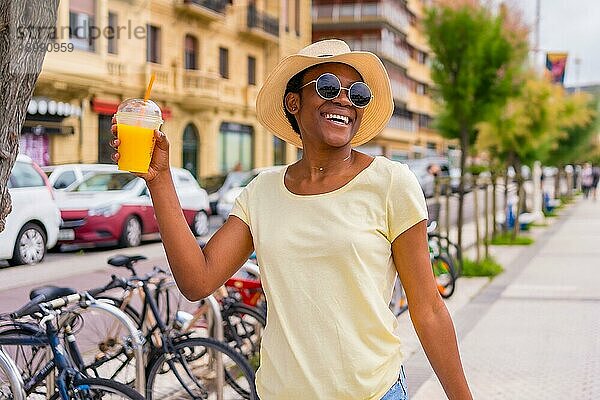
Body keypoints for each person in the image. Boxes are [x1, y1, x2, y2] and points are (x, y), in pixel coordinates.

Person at [110, 39, 472, 400]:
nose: (345, 100)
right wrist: (159, 180)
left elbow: (428, 310)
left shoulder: (391, 182)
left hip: (373, 393)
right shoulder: (262, 192)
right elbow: (197, 280)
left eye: (358, 94)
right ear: (293, 102)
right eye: (329, 86)